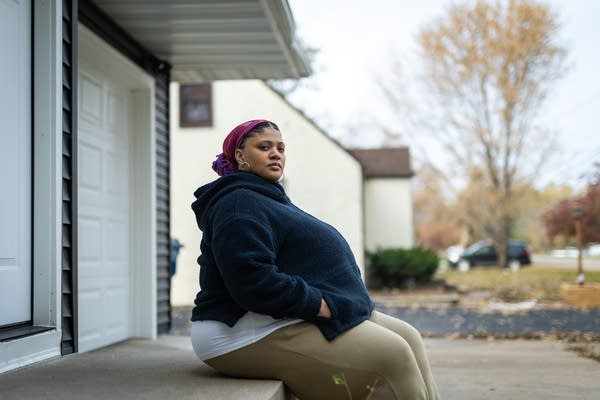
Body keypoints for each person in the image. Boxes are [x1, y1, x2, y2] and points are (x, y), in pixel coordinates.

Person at [190, 119, 439, 400]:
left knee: (409, 336)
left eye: (281, 148)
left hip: (275, 317)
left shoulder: (266, 197)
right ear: (240, 156)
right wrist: (320, 305)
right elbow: (251, 281)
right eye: (264, 147)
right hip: (238, 331)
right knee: (392, 354)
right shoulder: (237, 204)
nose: (276, 154)